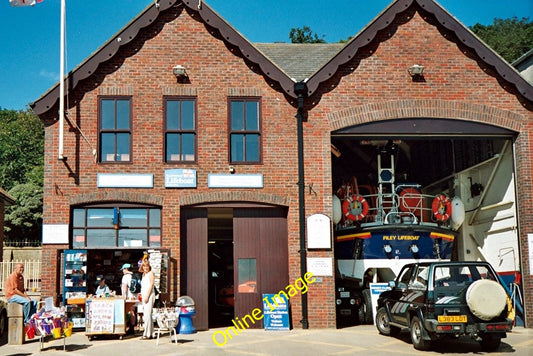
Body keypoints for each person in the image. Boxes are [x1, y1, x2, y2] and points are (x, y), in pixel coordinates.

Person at [140, 263, 155, 340]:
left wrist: (147, 296)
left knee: (147, 315)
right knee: (147, 314)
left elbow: (151, 285)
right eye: (144, 266)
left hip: (149, 296)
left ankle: (147, 333)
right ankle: (152, 333)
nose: (145, 268)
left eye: (147, 266)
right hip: (144, 295)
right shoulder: (143, 275)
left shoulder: (150, 273)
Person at [121, 263, 137, 335]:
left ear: (126, 269)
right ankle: (132, 327)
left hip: (128, 296)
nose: (123, 271)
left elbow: (125, 287)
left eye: (123, 269)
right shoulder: (133, 275)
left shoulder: (125, 277)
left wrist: (123, 296)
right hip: (134, 296)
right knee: (133, 311)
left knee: (130, 312)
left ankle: (131, 328)